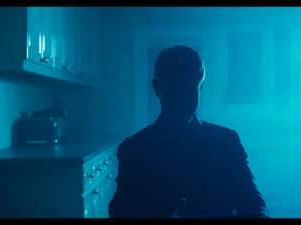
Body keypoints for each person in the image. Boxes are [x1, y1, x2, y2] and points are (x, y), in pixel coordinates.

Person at [108, 45, 269, 218]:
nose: (183, 102)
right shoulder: (134, 150)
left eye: (190, 92)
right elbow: (122, 212)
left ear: (201, 88)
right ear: (156, 88)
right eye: (174, 93)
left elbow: (253, 202)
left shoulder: (227, 142)